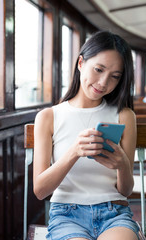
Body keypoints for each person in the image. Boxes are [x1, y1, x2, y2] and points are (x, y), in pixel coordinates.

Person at [33, 31, 139, 240]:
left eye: (115, 76)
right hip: (66, 215)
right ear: (81, 63)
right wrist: (74, 152)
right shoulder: (48, 117)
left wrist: (122, 165)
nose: (103, 82)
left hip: (114, 212)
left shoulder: (124, 115)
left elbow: (125, 190)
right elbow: (40, 191)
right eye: (98, 69)